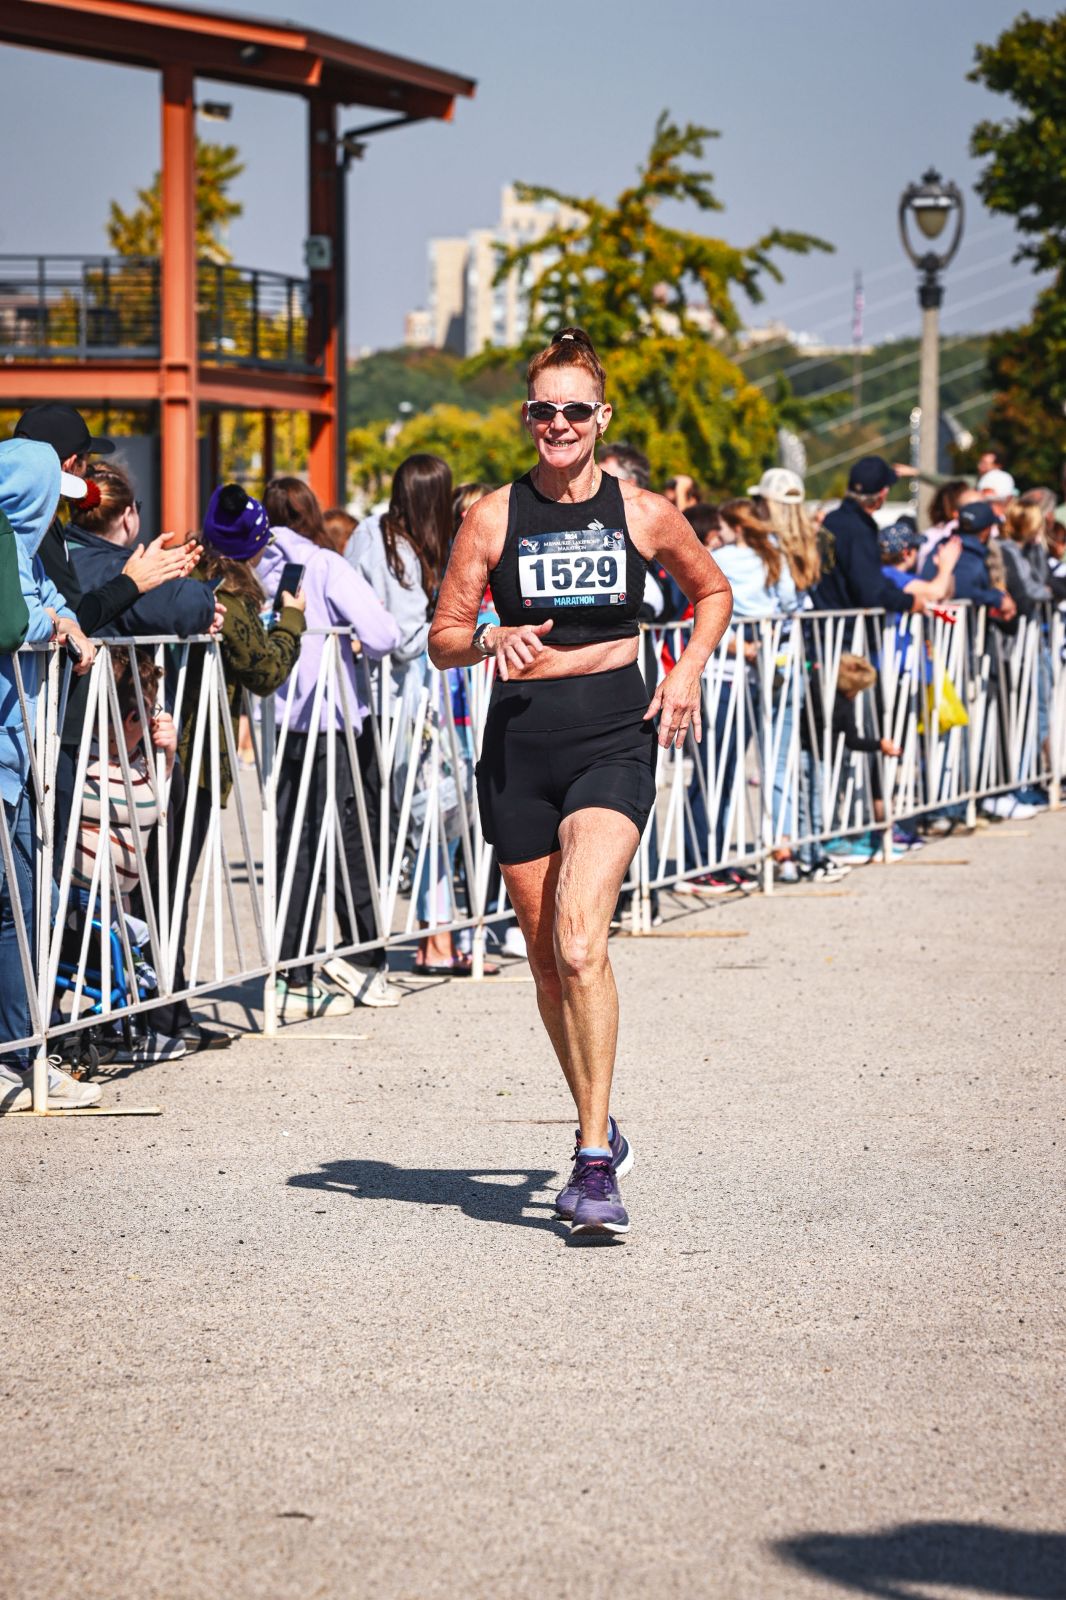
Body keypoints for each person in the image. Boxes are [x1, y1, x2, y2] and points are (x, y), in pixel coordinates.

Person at [429, 327, 733, 1238]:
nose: (555, 424)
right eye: (540, 409)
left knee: (580, 938)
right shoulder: (492, 515)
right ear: (528, 418)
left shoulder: (642, 514)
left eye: (572, 410)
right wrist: (487, 639)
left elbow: (712, 592)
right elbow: (442, 630)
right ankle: (598, 1115)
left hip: (612, 737)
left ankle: (593, 1162)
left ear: (601, 418)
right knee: (545, 958)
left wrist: (683, 671)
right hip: (520, 745)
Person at [152, 485, 305, 1052]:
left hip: (165, 752)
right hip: (188, 758)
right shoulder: (228, 597)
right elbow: (264, 672)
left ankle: (162, 1003)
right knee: (167, 889)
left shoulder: (184, 578)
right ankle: (160, 1011)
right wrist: (291, 619)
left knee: (156, 886)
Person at [259, 476, 402, 1020]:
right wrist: (353, 639)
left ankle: (291, 963)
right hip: (331, 718)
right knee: (347, 841)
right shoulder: (323, 565)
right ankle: (348, 959)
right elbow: (384, 633)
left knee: (291, 844)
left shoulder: (254, 568)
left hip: (279, 720)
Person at [0, 438, 100, 1110]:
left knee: (23, 909)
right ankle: (19, 1057)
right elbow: (15, 620)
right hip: (8, 753)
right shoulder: (8, 547)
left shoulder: (24, 553)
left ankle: (24, 1055)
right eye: (48, 497)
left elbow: (37, 607)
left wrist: (57, 620)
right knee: (13, 908)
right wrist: (55, 626)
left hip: (20, 753)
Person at [678, 496, 800, 891]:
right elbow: (790, 603)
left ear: (736, 526)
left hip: (725, 673)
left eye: (725, 527)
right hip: (737, 673)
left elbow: (698, 602)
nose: (720, 533)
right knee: (720, 770)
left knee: (718, 770)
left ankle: (708, 858)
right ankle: (702, 860)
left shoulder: (727, 559)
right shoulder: (773, 558)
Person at [811, 457, 922, 616]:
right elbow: (870, 591)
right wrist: (910, 602)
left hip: (823, 628)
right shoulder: (858, 530)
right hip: (849, 633)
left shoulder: (831, 520)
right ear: (882, 494)